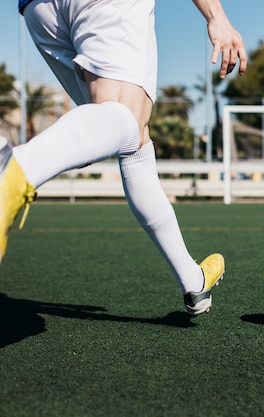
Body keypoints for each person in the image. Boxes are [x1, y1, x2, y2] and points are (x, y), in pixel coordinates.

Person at [0, 0, 247, 315]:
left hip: (38, 10)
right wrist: (217, 17)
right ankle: (13, 169)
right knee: (125, 115)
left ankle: (192, 279)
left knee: (133, 135)